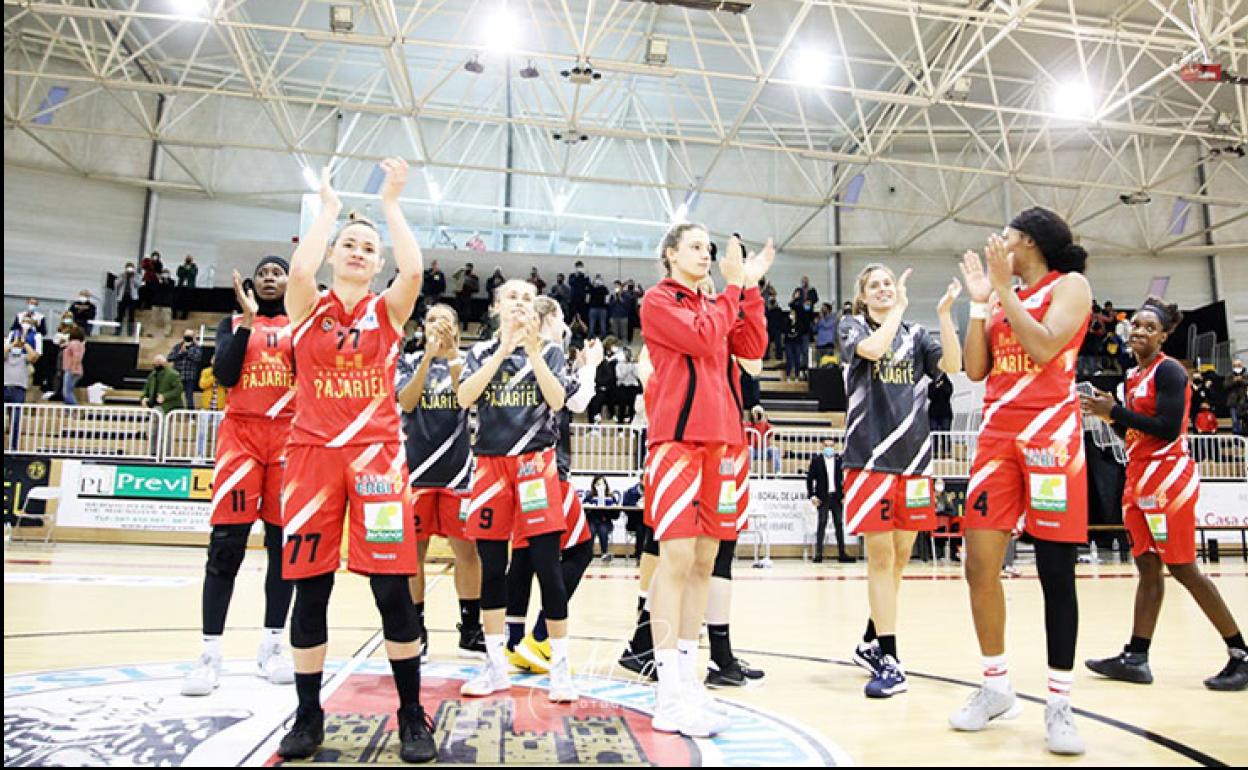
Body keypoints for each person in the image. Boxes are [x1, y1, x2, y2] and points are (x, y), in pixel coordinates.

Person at [277, 160, 435, 762]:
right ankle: (308, 714)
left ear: (375, 264)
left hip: (377, 464)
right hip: (312, 458)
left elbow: (415, 267)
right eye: (350, 244)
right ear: (334, 253)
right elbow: (298, 267)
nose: (359, 252)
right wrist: (326, 212)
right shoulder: (306, 306)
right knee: (309, 590)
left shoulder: (387, 312)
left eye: (368, 248)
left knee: (393, 590)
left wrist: (391, 205)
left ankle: (412, 714)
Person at [951, 207, 1093, 755]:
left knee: (1055, 571)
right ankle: (995, 686)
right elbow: (976, 368)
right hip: (997, 436)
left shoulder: (1071, 286)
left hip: (1051, 438)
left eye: (1006, 237)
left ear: (1029, 243)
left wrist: (1004, 293)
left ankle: (1060, 702)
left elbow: (1044, 346)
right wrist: (980, 303)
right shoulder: (1002, 294)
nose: (998, 244)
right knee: (978, 565)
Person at [639, 224, 772, 736]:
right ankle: (667, 689)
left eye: (709, 249)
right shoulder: (658, 301)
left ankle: (689, 679)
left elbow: (752, 344)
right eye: (695, 246)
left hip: (724, 441)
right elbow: (701, 337)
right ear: (671, 254)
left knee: (703, 561)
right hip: (676, 442)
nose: (706, 254)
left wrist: (751, 288)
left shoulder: (718, 302)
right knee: (674, 559)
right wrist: (734, 289)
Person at [1079, 299, 1246, 692]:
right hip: (1138, 476)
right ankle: (1136, 656)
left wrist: (1115, 412)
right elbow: (1135, 434)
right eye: (1135, 325)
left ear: (1163, 335)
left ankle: (1240, 652)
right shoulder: (1131, 377)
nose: (1138, 331)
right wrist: (1110, 417)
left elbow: (1169, 429)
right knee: (1147, 568)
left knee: (1185, 569)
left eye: (1148, 327)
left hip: (1168, 477)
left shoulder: (1169, 371)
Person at [838, 263, 962, 698]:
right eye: (875, 285)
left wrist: (944, 315)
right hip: (869, 457)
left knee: (902, 556)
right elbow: (872, 351)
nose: (884, 289)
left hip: (914, 459)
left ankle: (871, 640)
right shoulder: (851, 325)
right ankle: (890, 658)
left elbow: (954, 363)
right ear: (863, 295)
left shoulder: (917, 335)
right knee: (881, 558)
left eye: (888, 283)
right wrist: (897, 312)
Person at [455, 279, 577, 702]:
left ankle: (559, 668)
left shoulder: (552, 350)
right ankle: (494, 665)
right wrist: (504, 351)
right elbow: (465, 395)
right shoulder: (479, 352)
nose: (520, 303)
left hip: (535, 466)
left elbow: (558, 400)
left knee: (548, 565)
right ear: (497, 306)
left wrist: (530, 352)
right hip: (490, 465)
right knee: (492, 568)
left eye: (527, 298)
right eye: (512, 297)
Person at [181, 258, 296, 697]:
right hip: (241, 438)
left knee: (282, 547)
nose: (270, 277)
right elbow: (225, 376)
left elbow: (310, 375)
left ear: (289, 281)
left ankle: (271, 647)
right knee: (225, 546)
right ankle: (209, 653)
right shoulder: (232, 324)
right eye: (263, 272)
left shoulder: (300, 326)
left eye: (277, 272)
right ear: (252, 282)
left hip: (286, 439)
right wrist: (248, 322)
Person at [503, 299, 599, 675]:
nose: (565, 323)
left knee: (523, 557)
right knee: (580, 549)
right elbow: (577, 400)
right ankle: (542, 638)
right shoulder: (550, 351)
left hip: (515, 468)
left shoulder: (513, 354)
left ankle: (513, 641)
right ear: (546, 319)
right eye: (560, 315)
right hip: (547, 470)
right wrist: (589, 368)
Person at [395, 303, 485, 660]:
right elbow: (406, 401)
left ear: (457, 327)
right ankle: (417, 628)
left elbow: (468, 399)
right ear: (422, 327)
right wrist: (426, 358)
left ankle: (470, 629)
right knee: (413, 554)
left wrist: (449, 357)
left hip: (458, 473)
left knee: (467, 552)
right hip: (416, 473)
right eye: (432, 319)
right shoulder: (407, 361)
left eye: (445, 319)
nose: (438, 325)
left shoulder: (468, 361)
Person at [806, 437, 849, 562]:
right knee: (822, 523)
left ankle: (842, 553)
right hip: (822, 497)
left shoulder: (840, 461)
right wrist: (812, 495)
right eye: (826, 445)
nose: (829, 448)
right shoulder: (816, 461)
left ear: (834, 447)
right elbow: (809, 479)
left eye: (831, 445)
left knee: (839, 525)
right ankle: (818, 554)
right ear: (822, 447)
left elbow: (845, 479)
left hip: (837, 497)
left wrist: (845, 494)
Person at [583, 475, 619, 560]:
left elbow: (616, 516)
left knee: (603, 529)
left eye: (603, 484)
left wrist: (613, 508)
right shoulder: (589, 497)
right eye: (598, 484)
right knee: (591, 530)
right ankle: (588, 554)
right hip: (592, 522)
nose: (601, 486)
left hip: (605, 522)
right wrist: (590, 506)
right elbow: (584, 512)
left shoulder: (611, 497)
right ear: (594, 486)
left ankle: (604, 553)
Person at [169, 329, 202, 410]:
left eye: (190, 336)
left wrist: (187, 352)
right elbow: (169, 358)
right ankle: (175, 412)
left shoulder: (196, 347)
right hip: (178, 376)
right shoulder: (177, 346)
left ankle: (191, 416)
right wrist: (180, 353)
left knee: (189, 396)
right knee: (175, 395)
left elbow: (197, 358)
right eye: (186, 335)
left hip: (189, 376)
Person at [60, 325, 85, 405]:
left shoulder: (74, 343)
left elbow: (76, 356)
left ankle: (75, 409)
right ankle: (68, 411)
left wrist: (73, 368)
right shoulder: (80, 344)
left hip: (71, 370)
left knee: (66, 392)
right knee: (68, 391)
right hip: (75, 369)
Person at [116, 262, 141, 336]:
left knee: (131, 316)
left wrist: (132, 278)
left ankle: (130, 332)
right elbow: (116, 284)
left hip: (132, 297)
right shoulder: (121, 275)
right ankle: (118, 331)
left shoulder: (136, 275)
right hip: (122, 297)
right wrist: (124, 277)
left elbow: (138, 285)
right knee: (120, 315)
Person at [453, 262, 479, 328]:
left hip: (467, 295)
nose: (467, 268)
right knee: (457, 310)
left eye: (469, 267)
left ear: (471, 268)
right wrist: (460, 270)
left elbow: (476, 288)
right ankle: (457, 324)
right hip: (459, 294)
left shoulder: (474, 277)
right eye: (466, 267)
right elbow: (454, 276)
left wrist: (469, 287)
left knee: (466, 312)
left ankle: (465, 326)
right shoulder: (461, 274)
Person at [1224, 359, 1247, 436]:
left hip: (1243, 402)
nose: (1237, 367)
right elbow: (1225, 386)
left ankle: (1242, 438)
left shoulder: (1245, 375)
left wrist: (1241, 380)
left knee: (1242, 421)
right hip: (1233, 402)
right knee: (1235, 421)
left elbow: (1246, 383)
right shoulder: (1229, 375)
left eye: (1239, 365)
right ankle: (1236, 440)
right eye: (1235, 366)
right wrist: (1234, 380)